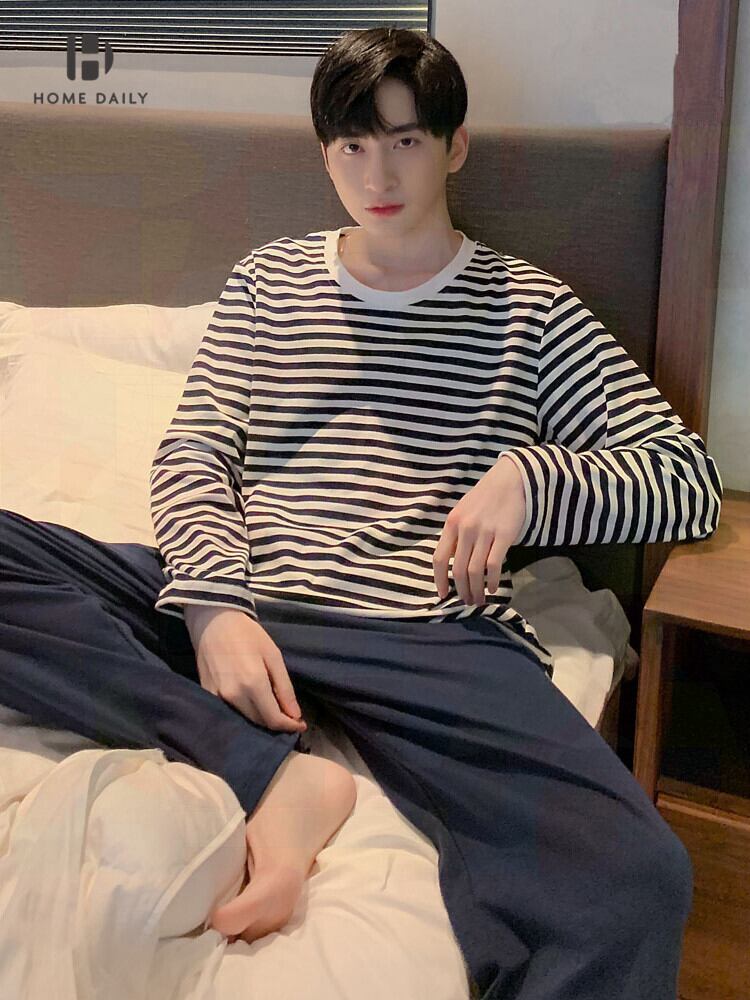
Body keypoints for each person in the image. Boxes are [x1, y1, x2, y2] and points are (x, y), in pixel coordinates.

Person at [0, 26, 723, 1000]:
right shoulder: (269, 284)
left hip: (423, 632)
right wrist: (213, 606)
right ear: (325, 153)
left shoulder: (531, 311)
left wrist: (530, 478)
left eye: (405, 141)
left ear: (455, 147)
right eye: (351, 145)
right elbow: (195, 453)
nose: (377, 174)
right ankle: (270, 771)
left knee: (634, 883)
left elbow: (687, 479)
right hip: (254, 600)